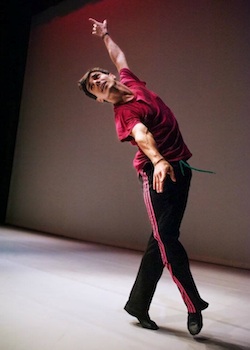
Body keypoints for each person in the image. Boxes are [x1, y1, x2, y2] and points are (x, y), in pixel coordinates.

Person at [78, 18, 209, 336]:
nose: (100, 82)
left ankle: (137, 304)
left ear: (110, 77)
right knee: (167, 239)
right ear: (99, 98)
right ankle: (193, 304)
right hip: (156, 174)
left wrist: (106, 34)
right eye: (95, 86)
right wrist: (159, 159)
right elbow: (142, 134)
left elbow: (119, 57)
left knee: (161, 239)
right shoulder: (124, 114)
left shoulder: (132, 83)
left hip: (180, 169)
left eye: (99, 77)